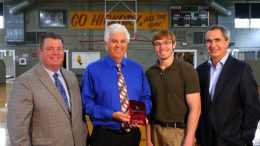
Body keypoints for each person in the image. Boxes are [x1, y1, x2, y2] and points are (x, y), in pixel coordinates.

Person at [7, 33, 88, 146]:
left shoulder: (71, 77)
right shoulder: (24, 82)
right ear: (40, 52)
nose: (56, 53)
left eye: (59, 49)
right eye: (50, 49)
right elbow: (17, 132)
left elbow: (79, 115)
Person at [81, 23, 152, 146]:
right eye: (114, 41)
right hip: (104, 136)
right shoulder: (92, 70)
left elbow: (146, 98)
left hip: (132, 135)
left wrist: (138, 114)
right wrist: (112, 114)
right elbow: (86, 104)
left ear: (127, 44)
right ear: (106, 43)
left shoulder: (137, 69)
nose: (119, 45)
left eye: (122, 41)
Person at [196, 25, 260, 146]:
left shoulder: (242, 70)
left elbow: (253, 108)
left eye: (217, 40)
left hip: (234, 140)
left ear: (227, 42)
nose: (212, 45)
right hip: (206, 140)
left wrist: (245, 138)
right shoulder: (200, 71)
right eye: (209, 41)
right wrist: (199, 136)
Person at [145, 29, 201, 146]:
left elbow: (195, 108)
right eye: (158, 44)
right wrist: (148, 138)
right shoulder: (149, 73)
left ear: (174, 44)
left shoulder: (187, 70)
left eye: (166, 43)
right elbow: (148, 109)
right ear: (154, 47)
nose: (162, 47)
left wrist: (189, 139)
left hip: (179, 133)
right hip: (155, 132)